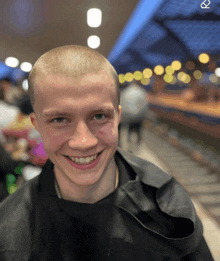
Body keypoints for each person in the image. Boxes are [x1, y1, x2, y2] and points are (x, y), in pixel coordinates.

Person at [0, 45, 214, 260]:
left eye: (99, 116)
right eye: (59, 119)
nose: (83, 141)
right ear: (37, 125)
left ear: (118, 117)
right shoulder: (8, 231)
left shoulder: (169, 206)